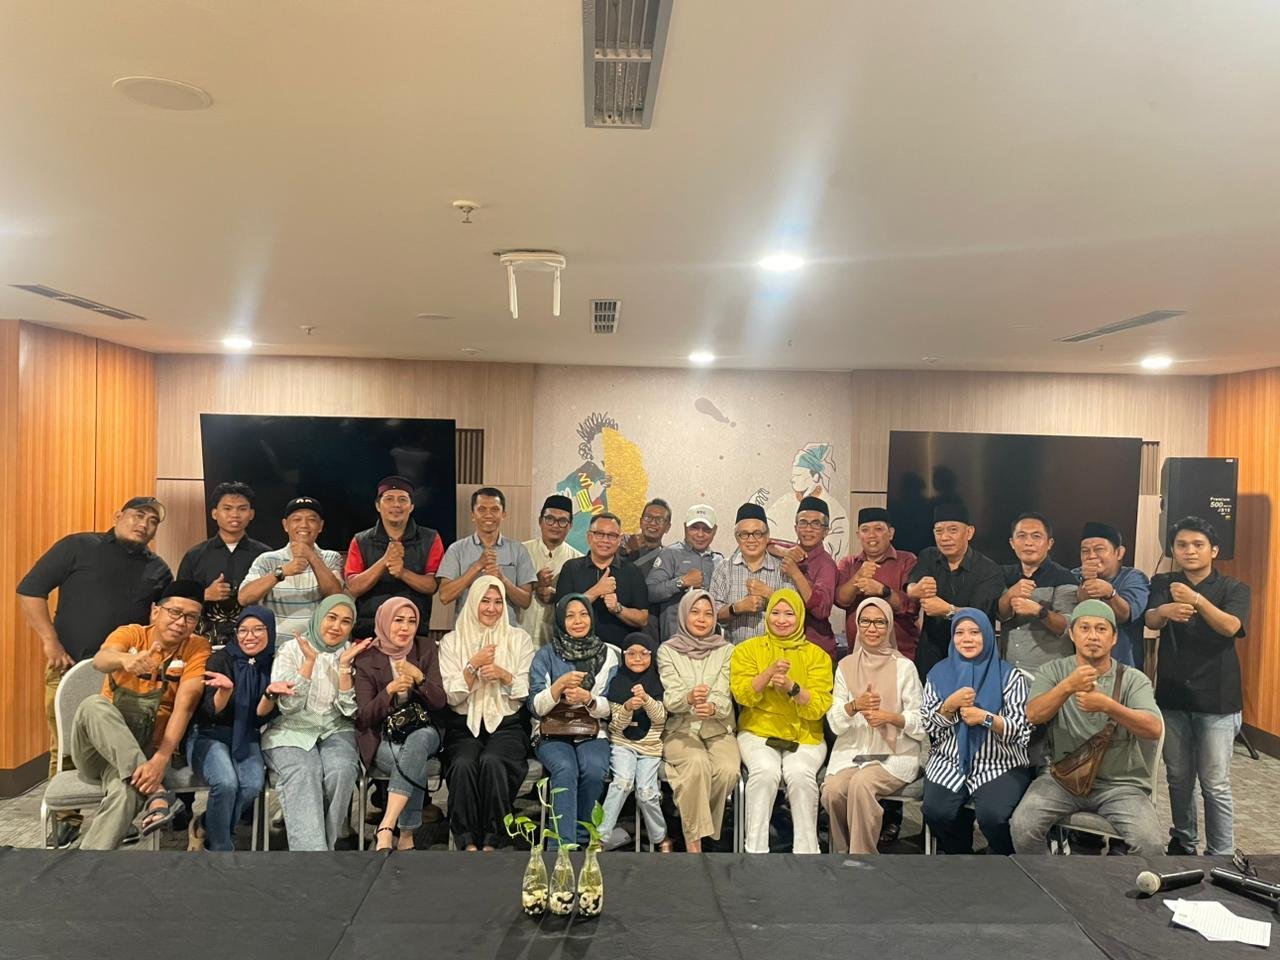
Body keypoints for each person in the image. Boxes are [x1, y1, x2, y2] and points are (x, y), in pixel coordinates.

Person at [17, 495, 172, 847]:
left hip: (125, 676)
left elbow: (161, 619)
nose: (144, 525)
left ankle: (116, 814)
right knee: (64, 745)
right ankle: (66, 818)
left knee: (121, 742)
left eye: (153, 521)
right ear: (118, 515)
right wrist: (50, 642)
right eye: (138, 516)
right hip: (70, 665)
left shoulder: (159, 569)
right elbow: (30, 589)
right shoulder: (77, 546)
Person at [1011, 600, 1166, 855]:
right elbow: (1034, 715)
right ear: (1072, 634)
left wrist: (1109, 706)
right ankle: (1044, 875)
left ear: (1114, 638)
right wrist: (1067, 687)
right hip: (1062, 777)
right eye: (1084, 628)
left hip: (1121, 785)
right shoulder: (1053, 671)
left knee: (1150, 844)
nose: (1093, 636)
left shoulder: (1133, 679)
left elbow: (1153, 729)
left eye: (1101, 629)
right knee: (1022, 825)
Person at [69, 579, 208, 850]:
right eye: (175, 612)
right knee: (93, 705)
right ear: (155, 611)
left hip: (146, 752)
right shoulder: (131, 634)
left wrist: (162, 758)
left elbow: (186, 705)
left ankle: (88, 864)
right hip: (98, 751)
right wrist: (125, 660)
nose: (181, 622)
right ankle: (157, 792)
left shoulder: (197, 647)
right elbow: (100, 660)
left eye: (191, 617)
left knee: (127, 791)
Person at [1146, 516, 1251, 856]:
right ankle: (1183, 839)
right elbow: (1150, 619)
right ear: (1173, 550)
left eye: (1198, 545)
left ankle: (1221, 852)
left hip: (1217, 700)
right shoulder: (1163, 581)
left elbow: (1231, 626)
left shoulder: (1234, 588)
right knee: (1178, 776)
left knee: (1214, 783)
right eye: (1181, 545)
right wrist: (1165, 609)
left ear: (1213, 550)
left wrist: (1197, 601)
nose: (1189, 551)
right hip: (1173, 695)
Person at [261, 594, 371, 851]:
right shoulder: (291, 650)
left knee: (342, 770)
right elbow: (288, 707)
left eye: (346, 621)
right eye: (331, 618)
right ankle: (312, 856)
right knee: (304, 771)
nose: (337, 626)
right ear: (319, 617)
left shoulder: (352, 653)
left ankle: (321, 849)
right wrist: (309, 663)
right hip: (291, 728)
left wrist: (345, 667)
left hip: (336, 728)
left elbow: (351, 711)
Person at [730, 588, 833, 854]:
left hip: (805, 735)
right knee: (765, 773)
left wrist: (792, 688)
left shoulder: (818, 656)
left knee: (800, 776)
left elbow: (819, 707)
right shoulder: (747, 650)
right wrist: (767, 674)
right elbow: (742, 695)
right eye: (775, 612)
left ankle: (807, 853)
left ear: (799, 617)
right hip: (758, 732)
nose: (781, 620)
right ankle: (755, 852)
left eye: (789, 614)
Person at [437, 575, 536, 850]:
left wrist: (504, 675)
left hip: (508, 723)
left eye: (498, 602)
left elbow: (526, 692)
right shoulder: (452, 641)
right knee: (463, 764)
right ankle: (466, 839)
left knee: (493, 762)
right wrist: (472, 667)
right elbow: (450, 696)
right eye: (485, 601)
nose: (492, 608)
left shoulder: (519, 639)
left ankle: (495, 838)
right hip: (463, 724)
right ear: (472, 603)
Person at [822, 597, 927, 855]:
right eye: (866, 621)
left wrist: (890, 718)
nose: (872, 628)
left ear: (889, 626)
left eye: (880, 622)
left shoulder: (904, 668)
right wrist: (854, 706)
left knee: (861, 784)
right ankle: (843, 853)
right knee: (833, 791)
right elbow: (835, 722)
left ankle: (863, 858)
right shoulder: (845, 666)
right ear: (857, 625)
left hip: (895, 753)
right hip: (854, 751)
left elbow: (921, 721)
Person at [921, 609, 1031, 855]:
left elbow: (1021, 729)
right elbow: (928, 725)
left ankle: (1002, 859)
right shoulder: (938, 674)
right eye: (960, 633)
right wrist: (949, 706)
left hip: (1000, 762)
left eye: (975, 632)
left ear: (988, 636)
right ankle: (962, 858)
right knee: (936, 811)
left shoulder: (1010, 676)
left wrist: (986, 718)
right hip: (949, 760)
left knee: (994, 816)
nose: (967, 639)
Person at [187, 605, 283, 851]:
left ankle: (205, 824)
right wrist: (225, 691)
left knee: (251, 785)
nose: (249, 636)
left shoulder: (274, 665)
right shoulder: (220, 660)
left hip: (246, 735)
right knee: (226, 783)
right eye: (243, 630)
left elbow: (259, 719)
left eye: (258, 629)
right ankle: (220, 849)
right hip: (208, 734)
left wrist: (269, 695)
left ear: (270, 631)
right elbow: (207, 712)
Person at [354, 597, 446, 852]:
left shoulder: (426, 648)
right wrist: (389, 691)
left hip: (425, 728)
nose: (405, 628)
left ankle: (386, 825)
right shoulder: (366, 659)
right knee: (412, 761)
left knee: (418, 741)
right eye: (398, 620)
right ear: (384, 622)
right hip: (384, 736)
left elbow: (440, 702)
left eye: (411, 621)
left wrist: (420, 678)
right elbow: (364, 717)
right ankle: (406, 836)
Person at [529, 594, 620, 848]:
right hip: (551, 731)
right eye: (570, 616)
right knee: (565, 768)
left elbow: (613, 706)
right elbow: (535, 707)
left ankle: (582, 836)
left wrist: (588, 699)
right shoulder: (545, 655)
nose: (578, 621)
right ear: (561, 620)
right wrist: (557, 687)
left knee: (594, 769)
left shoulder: (608, 655)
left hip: (593, 729)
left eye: (583, 614)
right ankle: (561, 845)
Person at [658, 589, 739, 853]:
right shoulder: (668, 650)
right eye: (695, 612)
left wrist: (713, 707)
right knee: (697, 763)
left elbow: (725, 693)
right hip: (680, 728)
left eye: (708, 613)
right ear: (683, 615)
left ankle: (692, 824)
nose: (702, 619)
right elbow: (671, 698)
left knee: (728, 770)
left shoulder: (726, 650)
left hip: (718, 728)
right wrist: (689, 698)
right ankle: (695, 845)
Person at [906, 504, 1004, 681]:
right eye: (939, 531)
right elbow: (910, 585)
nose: (945, 537)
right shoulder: (928, 556)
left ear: (969, 532)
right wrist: (915, 589)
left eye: (953, 530)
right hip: (932, 652)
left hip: (972, 654)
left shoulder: (989, 570)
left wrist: (947, 610)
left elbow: (979, 615)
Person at [345, 475, 443, 639]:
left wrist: (403, 573)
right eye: (389, 499)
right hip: (369, 633)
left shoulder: (431, 538)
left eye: (402, 500)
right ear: (378, 506)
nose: (396, 505)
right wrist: (385, 561)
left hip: (413, 633)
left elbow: (432, 585)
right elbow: (353, 587)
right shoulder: (360, 540)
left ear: (411, 506)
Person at [598, 632, 670, 851]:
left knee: (646, 793)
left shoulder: (658, 682)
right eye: (631, 653)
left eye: (644, 653)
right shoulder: (617, 683)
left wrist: (646, 699)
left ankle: (661, 838)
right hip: (623, 745)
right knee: (622, 783)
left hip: (650, 748)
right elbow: (615, 726)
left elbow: (660, 718)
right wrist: (628, 708)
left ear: (651, 655)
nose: (637, 658)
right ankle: (600, 837)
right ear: (624, 655)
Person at [178, 482, 271, 647]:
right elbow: (177, 600)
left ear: (251, 514)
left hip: (254, 642)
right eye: (227, 509)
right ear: (214, 513)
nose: (234, 514)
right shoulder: (195, 555)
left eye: (242, 509)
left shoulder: (266, 556)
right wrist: (204, 594)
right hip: (204, 643)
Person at [239, 497, 345, 640]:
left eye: (311, 520)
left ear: (320, 526)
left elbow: (336, 597)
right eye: (297, 519)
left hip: (317, 645)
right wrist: (281, 572)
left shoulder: (331, 558)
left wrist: (311, 556)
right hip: (277, 646)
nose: (304, 525)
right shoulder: (266, 560)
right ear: (285, 525)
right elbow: (244, 598)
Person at [437, 487, 536, 626]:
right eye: (482, 509)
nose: (488, 515)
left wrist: (502, 579)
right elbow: (445, 596)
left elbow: (526, 601)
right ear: (473, 514)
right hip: (467, 632)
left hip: (506, 633)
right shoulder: (456, 550)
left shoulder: (518, 550)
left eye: (495, 509)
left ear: (503, 514)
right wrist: (476, 567)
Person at [997, 512, 1077, 675]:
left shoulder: (1064, 577)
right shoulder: (1001, 575)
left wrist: (1039, 611)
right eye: (1021, 536)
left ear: (1049, 543)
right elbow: (999, 615)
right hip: (1009, 674)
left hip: (1050, 675)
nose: (1028, 542)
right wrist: (1010, 594)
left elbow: (1067, 627)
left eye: (1036, 536)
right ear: (1012, 543)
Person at [835, 508, 920, 660]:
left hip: (900, 657)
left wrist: (882, 591)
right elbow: (840, 600)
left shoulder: (907, 560)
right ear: (858, 535)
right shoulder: (849, 563)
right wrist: (858, 576)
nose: (871, 535)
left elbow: (911, 606)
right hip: (858, 657)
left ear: (891, 533)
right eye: (865, 530)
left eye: (878, 529)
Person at [555, 512, 649, 646]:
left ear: (619, 539)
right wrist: (596, 591)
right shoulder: (571, 568)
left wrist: (618, 608)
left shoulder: (632, 571)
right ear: (589, 537)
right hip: (576, 648)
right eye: (599, 534)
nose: (605, 540)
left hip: (620, 649)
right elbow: (560, 611)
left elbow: (643, 619)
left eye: (612, 535)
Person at [1074, 522, 1150, 669]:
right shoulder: (1073, 577)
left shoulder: (1134, 578)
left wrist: (1110, 593)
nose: (1091, 556)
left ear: (1119, 553)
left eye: (1099, 549)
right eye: (1085, 551)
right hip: (1080, 668)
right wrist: (1087, 581)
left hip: (1124, 668)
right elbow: (1078, 611)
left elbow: (1124, 615)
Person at [774, 496, 839, 661]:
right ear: (796, 528)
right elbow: (766, 543)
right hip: (787, 645)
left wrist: (796, 573)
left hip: (815, 647)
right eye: (803, 523)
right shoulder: (793, 550)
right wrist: (785, 552)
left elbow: (821, 610)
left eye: (816, 524)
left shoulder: (826, 565)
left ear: (826, 531)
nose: (808, 529)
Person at [646, 504, 723, 641]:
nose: (700, 534)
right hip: (675, 641)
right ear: (685, 527)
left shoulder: (719, 561)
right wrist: (681, 581)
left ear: (715, 531)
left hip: (709, 643)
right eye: (694, 527)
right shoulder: (670, 554)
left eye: (706, 529)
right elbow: (649, 591)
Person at [520, 495, 583, 648]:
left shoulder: (578, 561)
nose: (555, 525)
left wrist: (559, 595)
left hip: (556, 645)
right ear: (540, 521)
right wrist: (534, 583)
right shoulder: (521, 551)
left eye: (562, 521)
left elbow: (580, 604)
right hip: (519, 639)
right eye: (550, 519)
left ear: (570, 526)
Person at [621, 498, 673, 577]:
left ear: (667, 527)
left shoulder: (669, 557)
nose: (653, 523)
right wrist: (628, 550)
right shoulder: (621, 543)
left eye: (660, 520)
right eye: (648, 517)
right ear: (640, 522)